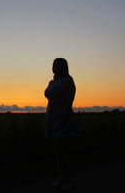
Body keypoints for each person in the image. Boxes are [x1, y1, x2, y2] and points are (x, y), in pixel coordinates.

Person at [44, 58, 78, 191]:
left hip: (62, 117)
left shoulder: (68, 80)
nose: (53, 67)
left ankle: (68, 179)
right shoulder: (52, 81)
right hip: (52, 116)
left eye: (56, 65)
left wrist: (62, 119)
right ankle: (60, 178)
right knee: (56, 151)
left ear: (63, 66)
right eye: (52, 64)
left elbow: (69, 101)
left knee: (61, 150)